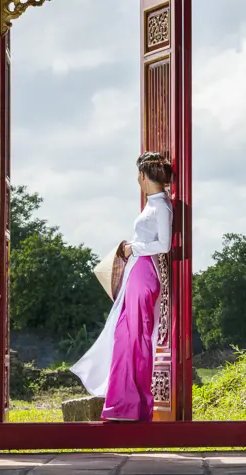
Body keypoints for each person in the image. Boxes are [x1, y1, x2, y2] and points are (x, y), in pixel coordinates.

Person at [71, 152, 174, 422]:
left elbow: (163, 245)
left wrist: (130, 248)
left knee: (136, 337)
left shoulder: (161, 205)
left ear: (143, 176)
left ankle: (133, 406)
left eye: (138, 175)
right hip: (136, 271)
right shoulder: (154, 204)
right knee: (124, 336)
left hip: (143, 272)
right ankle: (122, 405)